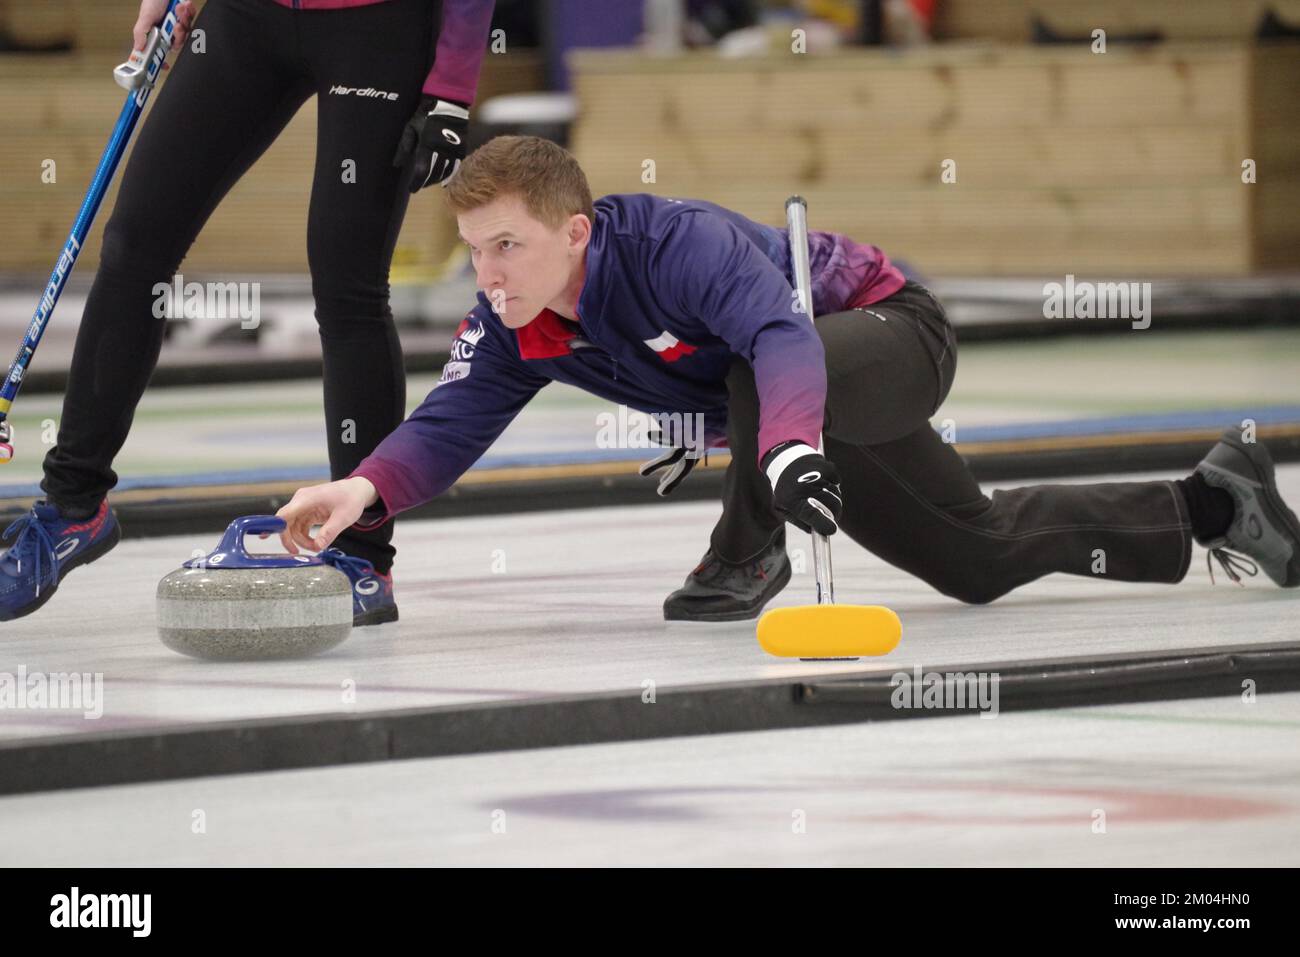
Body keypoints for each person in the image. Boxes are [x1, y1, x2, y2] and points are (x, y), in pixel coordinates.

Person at [271, 135, 1300, 616]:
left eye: (506, 248)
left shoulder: (679, 246)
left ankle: (743, 559)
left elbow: (779, 341)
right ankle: (1207, 502)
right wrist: (362, 490)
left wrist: (788, 452)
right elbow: (449, 422)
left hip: (890, 337)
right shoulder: (511, 323)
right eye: (474, 250)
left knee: (758, 383)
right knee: (973, 560)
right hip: (793, 403)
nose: (485, 276)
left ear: (575, 232)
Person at [0, 0, 496, 624]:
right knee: (133, 245)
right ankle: (74, 507)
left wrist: (452, 85)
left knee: (348, 284)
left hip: (379, 25)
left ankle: (362, 557)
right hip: (248, 16)